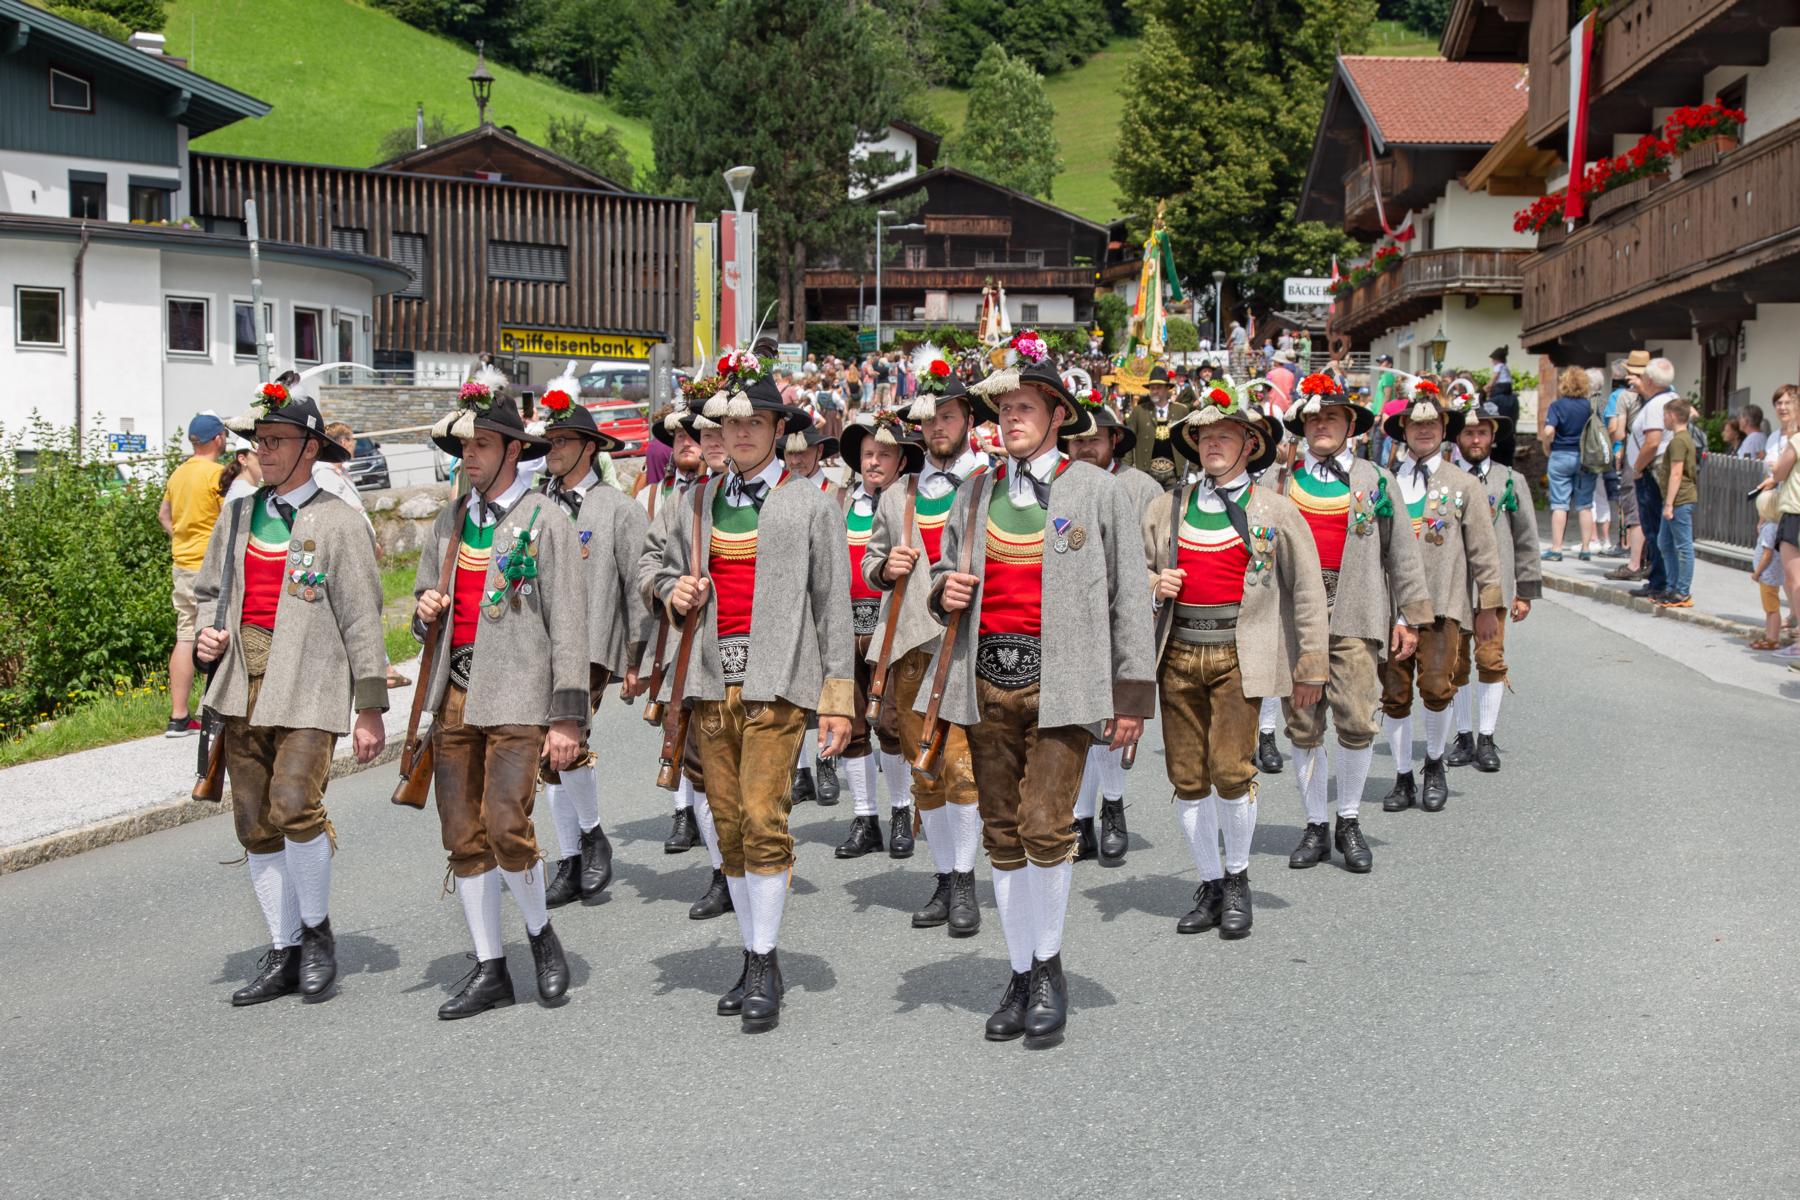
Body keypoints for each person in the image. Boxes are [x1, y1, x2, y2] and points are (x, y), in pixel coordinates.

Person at [927, 332, 1154, 1047]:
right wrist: (944, 591)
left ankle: (1050, 969)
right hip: (987, 681)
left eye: (1025, 407)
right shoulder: (976, 489)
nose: (1011, 420)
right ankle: (1019, 972)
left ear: (1059, 413)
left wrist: (1129, 698)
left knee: (1047, 829)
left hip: (1065, 687)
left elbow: (1128, 598)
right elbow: (940, 575)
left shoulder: (1099, 489)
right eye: (1003, 410)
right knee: (1001, 836)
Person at [656, 357, 855, 1033]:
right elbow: (653, 565)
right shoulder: (693, 502)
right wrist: (669, 590)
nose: (740, 434)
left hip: (778, 686)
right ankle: (750, 953)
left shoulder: (811, 503)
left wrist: (838, 699)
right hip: (710, 685)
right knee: (729, 825)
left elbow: (834, 608)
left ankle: (766, 962)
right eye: (730, 423)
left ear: (778, 429)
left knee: (765, 819)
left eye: (754, 423)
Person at [193, 384, 387, 1005]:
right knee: (254, 824)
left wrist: (370, 707)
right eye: (259, 441)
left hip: (309, 686)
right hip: (239, 686)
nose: (262, 451)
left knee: (295, 804)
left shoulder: (337, 519)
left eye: (275, 440)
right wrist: (204, 634)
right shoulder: (239, 513)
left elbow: (362, 617)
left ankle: (316, 934)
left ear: (309, 447)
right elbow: (204, 595)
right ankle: (283, 949)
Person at [411, 366, 587, 1019]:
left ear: (515, 449)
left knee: (508, 825)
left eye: (482, 445)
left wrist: (567, 718)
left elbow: (570, 624)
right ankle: (491, 967)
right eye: (463, 447)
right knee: (462, 836)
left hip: (518, 696)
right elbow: (422, 608)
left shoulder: (548, 520)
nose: (469, 457)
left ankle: (540, 935)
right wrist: (424, 607)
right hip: (453, 696)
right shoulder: (450, 519)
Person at [1142, 383, 1329, 936]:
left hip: (1240, 656)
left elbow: (1309, 591)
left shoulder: (1275, 509)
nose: (1213, 445)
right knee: (1187, 776)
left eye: (1226, 436)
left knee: (1230, 771)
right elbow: (1128, 579)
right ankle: (1210, 882)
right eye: (1204, 436)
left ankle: (1239, 877)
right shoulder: (1164, 507)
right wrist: (1155, 583)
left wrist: (1311, 668)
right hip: (1176, 654)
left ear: (1250, 444)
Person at [1277, 374, 1431, 872]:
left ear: (1350, 426)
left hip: (1357, 609)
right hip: (1296, 619)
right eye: (1314, 418)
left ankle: (1347, 818)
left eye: (1332, 417)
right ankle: (1314, 824)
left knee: (1358, 719)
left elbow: (1403, 553)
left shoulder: (1375, 480)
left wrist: (1407, 615)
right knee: (1303, 722)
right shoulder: (1278, 481)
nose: (1322, 425)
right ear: (1302, 426)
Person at [861, 361, 990, 935]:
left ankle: (965, 881)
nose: (938, 426)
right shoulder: (898, 495)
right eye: (931, 417)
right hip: (910, 646)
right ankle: (944, 877)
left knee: (963, 770)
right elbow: (869, 565)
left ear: (968, 421)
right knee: (927, 772)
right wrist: (885, 568)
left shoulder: (993, 484)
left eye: (949, 415)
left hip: (967, 647)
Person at [534, 367, 650, 906]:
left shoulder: (619, 509)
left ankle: (592, 835)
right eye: (549, 441)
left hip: (593, 645)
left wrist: (636, 658)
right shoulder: (535, 507)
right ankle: (575, 852)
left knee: (568, 742)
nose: (552, 449)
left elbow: (638, 587)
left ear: (588, 447)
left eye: (561, 441)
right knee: (547, 756)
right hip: (538, 647)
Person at [1378, 382, 1503, 814]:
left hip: (1443, 604)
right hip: (1393, 608)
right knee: (1394, 694)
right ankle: (1401, 776)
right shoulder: (1387, 482)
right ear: (1403, 430)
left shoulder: (1462, 484)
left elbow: (1485, 552)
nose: (1423, 430)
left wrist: (1488, 606)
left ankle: (1433, 764)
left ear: (1444, 427)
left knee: (1435, 687)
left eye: (1431, 423)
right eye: (1415, 424)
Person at [1062, 398, 1161, 865]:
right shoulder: (1062, 483)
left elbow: (1157, 550)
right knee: (1078, 721)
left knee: (1114, 718)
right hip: (1074, 615)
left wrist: (1157, 582)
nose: (1084, 447)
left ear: (1113, 440)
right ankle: (1079, 819)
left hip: (1124, 609)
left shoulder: (1141, 487)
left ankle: (1114, 807)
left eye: (1093, 439)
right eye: (1077, 439)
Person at [637, 406, 727, 910]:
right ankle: (721, 869)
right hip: (691, 654)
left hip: (752, 656)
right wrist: (671, 592)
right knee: (701, 769)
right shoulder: (681, 501)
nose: (710, 440)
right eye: (703, 433)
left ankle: (756, 865)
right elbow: (649, 564)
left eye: (719, 431)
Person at [830, 413, 922, 862]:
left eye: (883, 454)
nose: (874, 462)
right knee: (850, 726)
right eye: (867, 454)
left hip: (892, 628)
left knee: (890, 725)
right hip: (845, 627)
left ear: (901, 460)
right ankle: (865, 816)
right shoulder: (837, 503)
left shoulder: (911, 501)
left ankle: (901, 811)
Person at [1446, 400, 1540, 772]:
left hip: (1493, 589)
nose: (1475, 438)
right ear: (1457, 437)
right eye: (1468, 432)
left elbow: (1527, 538)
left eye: (1482, 432)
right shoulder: (1446, 479)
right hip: (1452, 588)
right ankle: (1464, 736)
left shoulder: (1510, 480)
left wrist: (1526, 590)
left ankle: (1486, 736)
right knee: (1454, 662)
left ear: (1492, 436)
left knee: (1490, 659)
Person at [160, 412, 227, 737]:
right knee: (215, 634)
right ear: (217, 439)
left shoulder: (178, 473)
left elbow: (164, 515)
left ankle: (179, 717)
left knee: (186, 634)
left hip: (182, 563)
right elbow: (231, 517)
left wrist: (181, 537)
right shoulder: (218, 475)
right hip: (209, 566)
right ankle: (213, 714)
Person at [1625, 355, 1680, 601]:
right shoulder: (1672, 399)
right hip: (1661, 471)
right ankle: (1661, 579)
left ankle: (1659, 581)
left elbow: (1652, 442)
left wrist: (1637, 467)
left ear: (1650, 379)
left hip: (1650, 472)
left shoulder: (1657, 405)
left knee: (1653, 527)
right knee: (1660, 529)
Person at [1539, 366, 1601, 560]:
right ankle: (1585, 548)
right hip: (1585, 458)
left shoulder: (1557, 406)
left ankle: (1556, 549)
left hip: (1561, 456)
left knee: (1559, 504)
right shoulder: (1590, 407)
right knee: (1585, 504)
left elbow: (1549, 431)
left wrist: (1547, 445)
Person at [1654, 397, 1700, 608]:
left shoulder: (1679, 441)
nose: (1663, 419)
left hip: (1680, 499)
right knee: (1664, 542)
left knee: (1683, 546)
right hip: (1673, 500)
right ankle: (1671, 586)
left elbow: (1676, 473)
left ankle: (1682, 591)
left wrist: (1670, 504)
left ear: (1672, 416)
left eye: (1665, 415)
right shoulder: (1680, 439)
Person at [1123, 365, 1189, 489]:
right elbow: (1129, 441)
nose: (1154, 391)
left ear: (1167, 389)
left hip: (1174, 474)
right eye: (1152, 388)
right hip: (1147, 472)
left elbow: (1189, 440)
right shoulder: (1139, 411)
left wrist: (1193, 469)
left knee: (1173, 506)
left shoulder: (1181, 411)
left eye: (1158, 388)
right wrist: (1126, 468)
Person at [1750, 517, 1784, 651]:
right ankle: (1769, 635)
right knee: (1769, 608)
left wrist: (1757, 572)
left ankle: (1773, 639)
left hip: (1767, 574)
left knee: (1772, 609)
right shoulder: (1771, 526)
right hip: (1770, 574)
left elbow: (1767, 554)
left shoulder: (1770, 528)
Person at [1486, 348, 1519, 466]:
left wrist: (1487, 387)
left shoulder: (1494, 400)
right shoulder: (1514, 399)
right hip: (1510, 434)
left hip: (1498, 438)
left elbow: (1494, 378)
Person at [219, 435, 263, 503]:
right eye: (259, 455)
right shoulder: (248, 493)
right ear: (243, 459)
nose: (266, 459)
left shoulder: (238, 487)